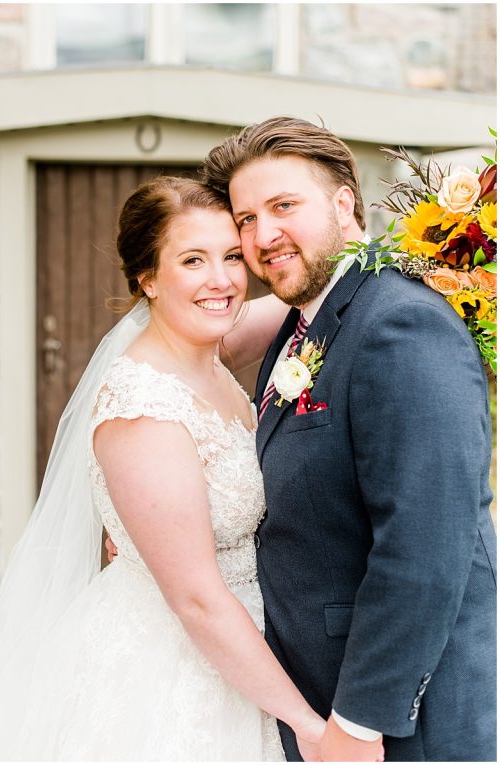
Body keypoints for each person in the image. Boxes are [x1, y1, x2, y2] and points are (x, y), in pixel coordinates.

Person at [0, 177, 343, 761]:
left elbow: (301, 291)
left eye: (232, 256)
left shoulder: (210, 350)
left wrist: (394, 251)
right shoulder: (144, 409)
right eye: (192, 260)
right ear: (147, 279)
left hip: (248, 643)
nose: (222, 280)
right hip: (180, 665)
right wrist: (308, 726)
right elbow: (197, 599)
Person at [202, 116, 496, 761]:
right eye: (245, 219)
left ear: (344, 203)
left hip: (400, 727)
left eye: (283, 206)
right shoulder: (309, 320)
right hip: (316, 696)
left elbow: (425, 546)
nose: (263, 234)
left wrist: (360, 722)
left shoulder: (402, 326)